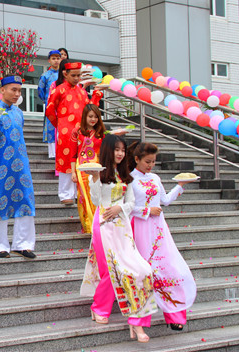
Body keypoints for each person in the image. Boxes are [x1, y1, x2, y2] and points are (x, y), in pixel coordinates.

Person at [80, 134, 157, 343]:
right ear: (108, 150)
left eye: (123, 150)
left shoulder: (126, 175)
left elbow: (131, 202)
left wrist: (119, 208)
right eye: (116, 150)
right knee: (110, 269)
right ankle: (98, 308)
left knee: (138, 269)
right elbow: (96, 200)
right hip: (103, 224)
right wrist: (95, 179)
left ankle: (136, 319)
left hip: (122, 225)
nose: (121, 153)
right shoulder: (97, 173)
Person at [129, 141, 197, 331]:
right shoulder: (129, 179)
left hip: (159, 228)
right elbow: (126, 207)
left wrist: (180, 186)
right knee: (145, 270)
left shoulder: (155, 178)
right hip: (140, 228)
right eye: (147, 162)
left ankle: (175, 315)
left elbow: (165, 200)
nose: (150, 166)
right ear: (136, 159)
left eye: (153, 162)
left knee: (168, 268)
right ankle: (141, 317)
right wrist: (146, 210)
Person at [0, 75, 36, 259]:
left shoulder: (18, 113)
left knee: (25, 201)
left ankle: (23, 244)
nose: (17, 94)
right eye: (13, 90)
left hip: (21, 166)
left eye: (19, 90)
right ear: (2, 90)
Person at [46, 60, 103, 205]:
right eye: (74, 75)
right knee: (66, 160)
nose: (77, 78)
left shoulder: (82, 91)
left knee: (82, 159)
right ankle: (65, 194)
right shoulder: (58, 90)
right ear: (65, 74)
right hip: (65, 132)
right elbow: (49, 110)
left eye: (79, 75)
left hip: (81, 133)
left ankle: (80, 191)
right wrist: (59, 125)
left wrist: (96, 96)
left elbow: (90, 110)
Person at [71, 104, 106, 233]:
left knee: (96, 194)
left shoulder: (101, 134)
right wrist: (73, 172)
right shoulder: (77, 132)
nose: (93, 119)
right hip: (81, 169)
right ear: (85, 116)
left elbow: (102, 153)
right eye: (90, 116)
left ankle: (97, 223)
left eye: (96, 117)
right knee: (83, 197)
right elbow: (73, 154)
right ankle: (87, 225)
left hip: (96, 168)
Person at [37, 50, 61, 158]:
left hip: (62, 105)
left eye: (58, 58)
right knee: (51, 127)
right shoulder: (45, 75)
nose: (56, 61)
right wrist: (47, 100)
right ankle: (52, 153)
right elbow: (40, 91)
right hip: (50, 105)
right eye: (53, 58)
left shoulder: (64, 75)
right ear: (49, 60)